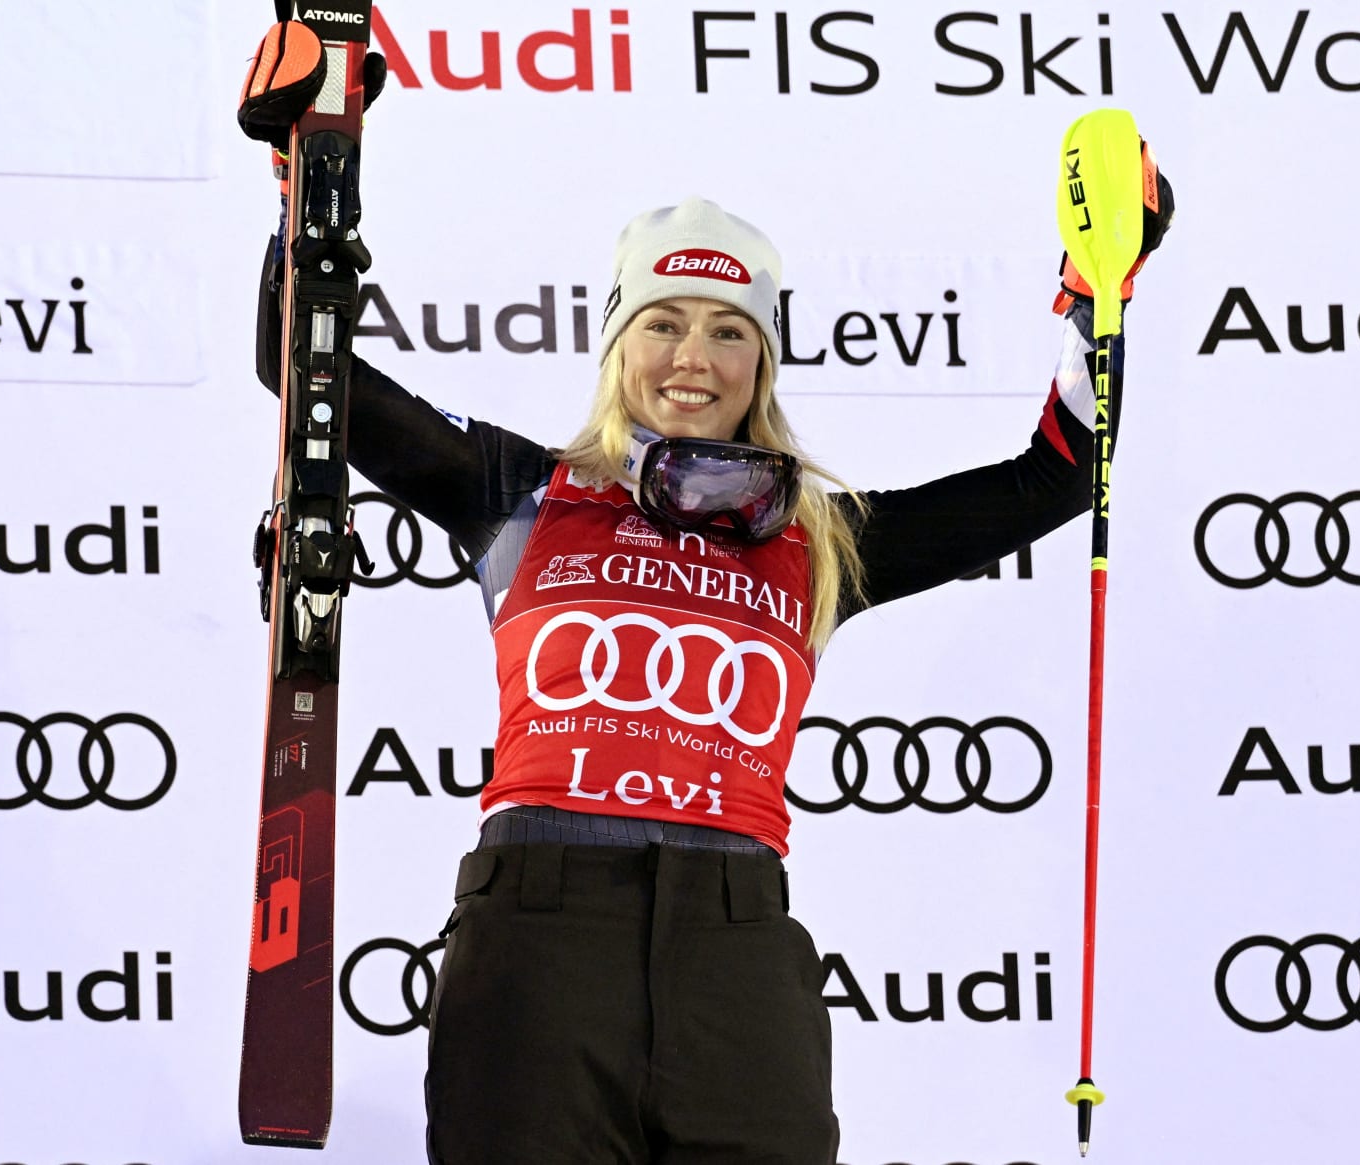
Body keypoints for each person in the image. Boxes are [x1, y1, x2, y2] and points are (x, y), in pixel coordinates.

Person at [244, 25, 1171, 1165]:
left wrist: (1098, 301)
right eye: (664, 322)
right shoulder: (522, 491)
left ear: (763, 360)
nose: (696, 355)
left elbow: (1060, 474)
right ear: (616, 341)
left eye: (731, 331)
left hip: (736, 948)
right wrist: (307, 183)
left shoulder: (817, 539)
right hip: (537, 933)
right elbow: (307, 369)